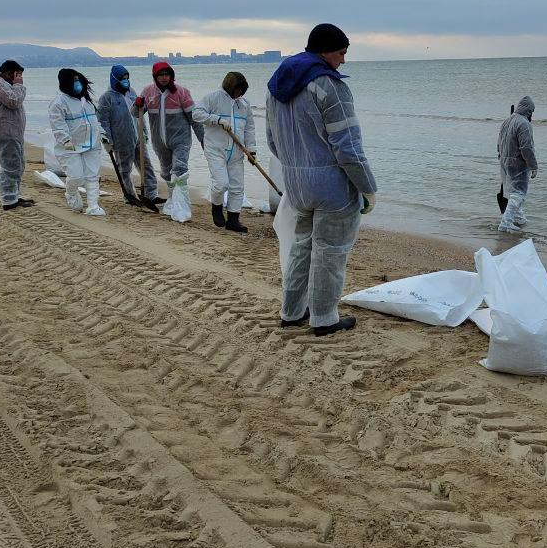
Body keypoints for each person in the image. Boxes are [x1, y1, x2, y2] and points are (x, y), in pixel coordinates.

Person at [267, 23, 377, 337]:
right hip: (332, 186)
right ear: (325, 51)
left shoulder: (277, 85)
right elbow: (349, 147)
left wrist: (296, 166)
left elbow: (273, 141)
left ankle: (291, 311)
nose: (343, 60)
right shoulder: (328, 85)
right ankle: (325, 317)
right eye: (341, 53)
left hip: (297, 183)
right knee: (331, 251)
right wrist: (368, 189)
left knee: (301, 247)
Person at [133, 60, 203, 212]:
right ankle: (172, 200)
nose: (164, 78)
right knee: (166, 172)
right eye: (161, 75)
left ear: (172, 76)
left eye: (167, 74)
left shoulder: (181, 92)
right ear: (155, 76)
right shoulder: (148, 92)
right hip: (159, 141)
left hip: (181, 140)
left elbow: (194, 118)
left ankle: (182, 205)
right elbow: (135, 114)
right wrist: (136, 104)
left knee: (179, 170)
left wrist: (203, 139)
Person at [193, 71, 256, 233]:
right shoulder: (213, 98)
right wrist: (217, 120)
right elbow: (196, 114)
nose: (240, 94)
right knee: (221, 183)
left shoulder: (244, 104)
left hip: (236, 151)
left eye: (243, 91)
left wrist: (252, 150)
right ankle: (216, 207)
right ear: (230, 86)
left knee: (237, 187)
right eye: (238, 90)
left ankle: (233, 220)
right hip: (215, 149)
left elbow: (249, 129)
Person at [97, 64, 159, 208]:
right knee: (125, 169)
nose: (125, 81)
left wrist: (144, 132)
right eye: (122, 79)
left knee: (146, 166)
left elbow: (139, 112)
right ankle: (129, 195)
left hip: (137, 137)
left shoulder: (131, 92)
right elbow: (102, 121)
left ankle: (151, 194)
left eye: (127, 78)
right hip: (121, 140)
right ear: (114, 80)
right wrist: (107, 140)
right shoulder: (106, 98)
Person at [48, 68, 105, 216]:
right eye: (74, 81)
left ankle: (93, 205)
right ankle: (71, 193)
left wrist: (102, 135)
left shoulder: (86, 101)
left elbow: (94, 121)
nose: (77, 84)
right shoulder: (58, 103)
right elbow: (58, 125)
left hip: (92, 144)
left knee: (92, 175)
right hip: (70, 147)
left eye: (78, 80)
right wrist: (65, 140)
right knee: (76, 176)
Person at [0, 60, 34, 210]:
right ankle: (8, 199)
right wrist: (19, 85)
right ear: (8, 73)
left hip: (13, 132)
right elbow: (13, 101)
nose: (19, 77)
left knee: (18, 165)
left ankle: (15, 195)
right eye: (17, 74)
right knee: (9, 166)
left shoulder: (5, 84)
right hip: (4, 132)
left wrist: (16, 85)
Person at [497, 96, 538, 233]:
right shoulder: (524, 124)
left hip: (504, 161)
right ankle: (506, 223)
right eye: (531, 111)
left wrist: (500, 156)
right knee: (518, 193)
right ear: (528, 110)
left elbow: (499, 142)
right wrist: (533, 166)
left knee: (514, 192)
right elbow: (526, 148)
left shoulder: (507, 121)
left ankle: (519, 219)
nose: (531, 114)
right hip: (517, 163)